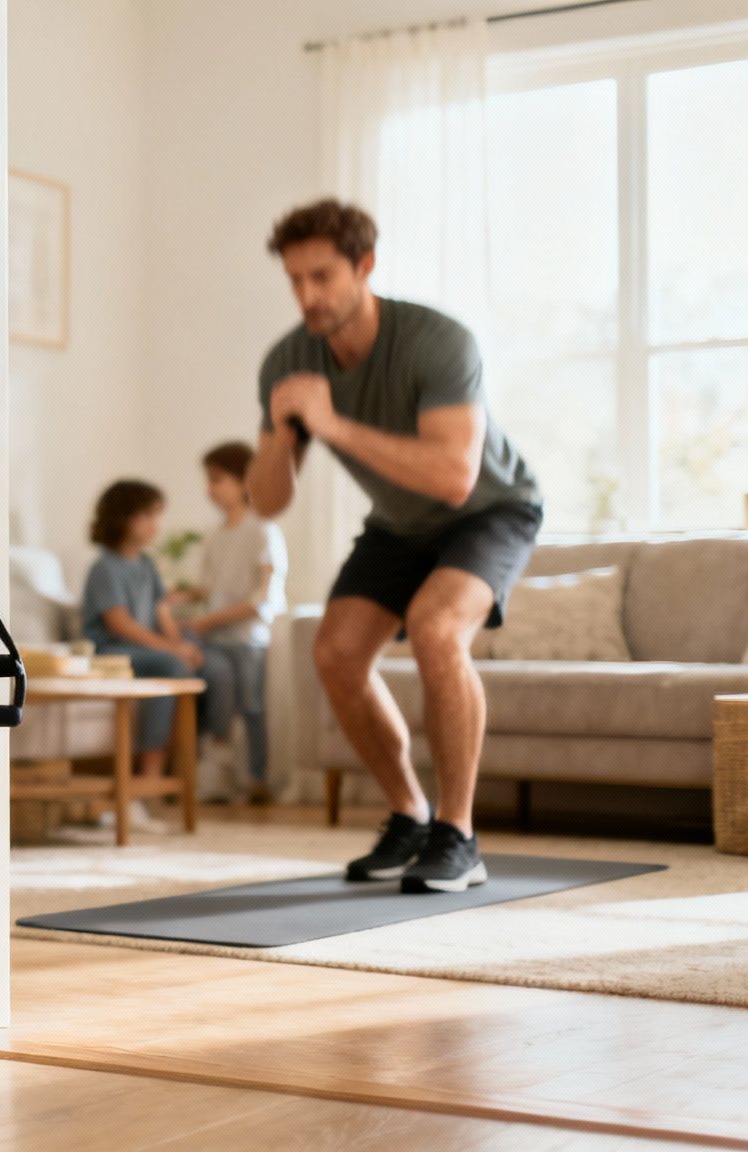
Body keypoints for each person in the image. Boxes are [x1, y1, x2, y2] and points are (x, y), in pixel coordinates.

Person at [247, 198, 542, 894]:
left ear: (365, 266)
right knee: (335, 653)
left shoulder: (438, 342)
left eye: (323, 276)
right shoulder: (288, 362)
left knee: (437, 628)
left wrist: (331, 424)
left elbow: (453, 476)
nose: (308, 296)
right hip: (399, 522)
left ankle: (458, 833)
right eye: (295, 280)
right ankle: (410, 813)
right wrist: (284, 434)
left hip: (489, 510)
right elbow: (267, 501)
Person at [82, 480, 204, 830]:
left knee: (194, 662)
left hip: (143, 650)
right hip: (110, 652)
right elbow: (119, 624)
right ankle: (145, 783)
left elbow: (162, 614)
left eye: (157, 516)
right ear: (123, 517)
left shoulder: (147, 565)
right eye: (148, 515)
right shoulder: (105, 567)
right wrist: (173, 650)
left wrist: (182, 645)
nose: (155, 525)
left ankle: (166, 776)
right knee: (169, 665)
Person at [178, 441, 287, 805]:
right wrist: (176, 599)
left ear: (244, 480)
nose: (210, 489)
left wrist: (210, 618)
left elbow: (262, 596)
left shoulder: (263, 530)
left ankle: (257, 779)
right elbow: (209, 588)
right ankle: (214, 775)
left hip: (248, 638)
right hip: (214, 640)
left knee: (252, 707)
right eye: (208, 481)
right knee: (217, 701)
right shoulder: (215, 535)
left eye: (218, 479)